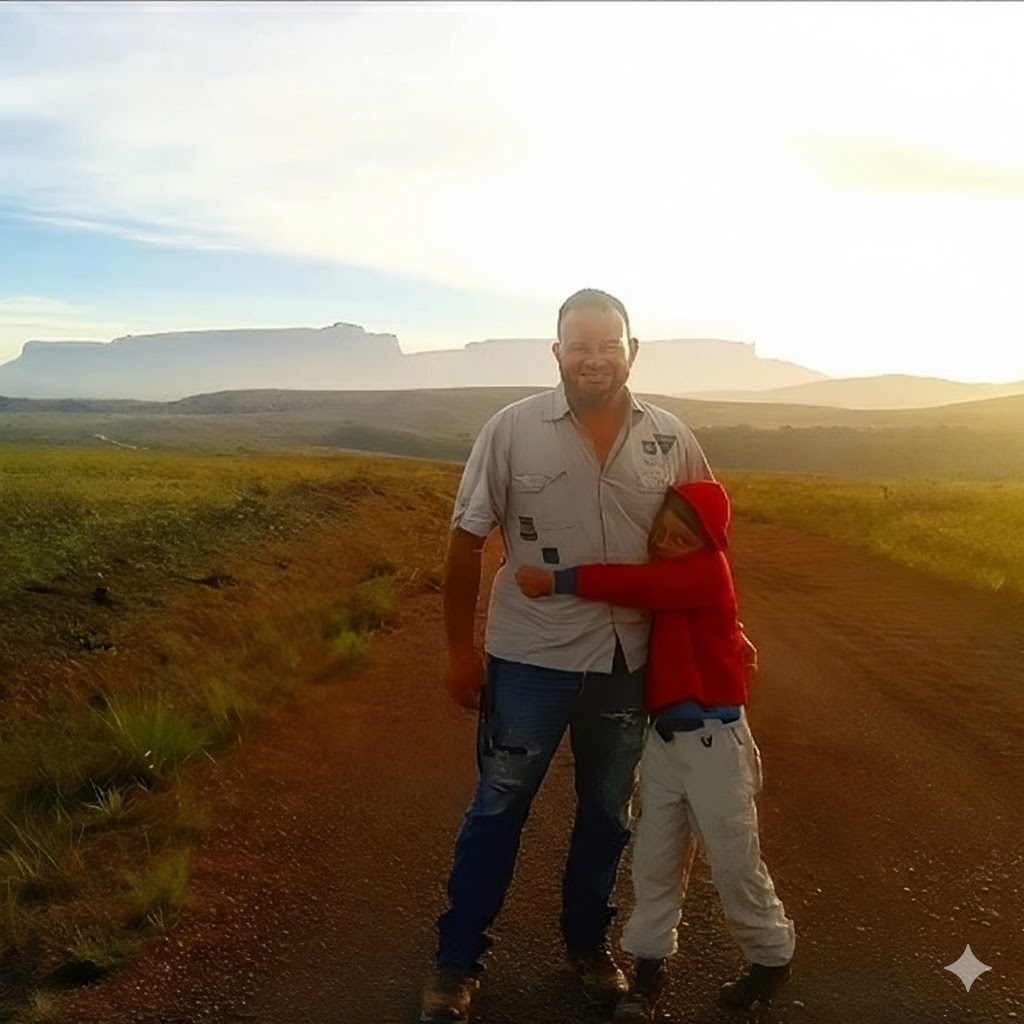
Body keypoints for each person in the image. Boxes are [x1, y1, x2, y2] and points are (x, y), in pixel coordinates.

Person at [419, 288, 714, 1024]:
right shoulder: (511, 430)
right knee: (498, 805)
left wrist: (723, 637)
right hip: (530, 660)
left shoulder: (671, 437)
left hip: (625, 662)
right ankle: (457, 961)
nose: (594, 359)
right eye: (579, 346)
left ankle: (588, 947)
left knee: (608, 813)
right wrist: (461, 652)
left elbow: (705, 553)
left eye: (608, 344)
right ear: (557, 353)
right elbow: (465, 541)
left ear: (631, 350)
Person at [515, 479, 796, 1021]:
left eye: (680, 538)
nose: (665, 544)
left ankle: (771, 957)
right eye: (660, 533)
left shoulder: (705, 571)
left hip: (715, 745)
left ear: (707, 542)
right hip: (665, 744)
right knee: (653, 861)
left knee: (734, 862)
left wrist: (557, 580)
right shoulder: (688, 573)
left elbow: (639, 587)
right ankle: (648, 970)